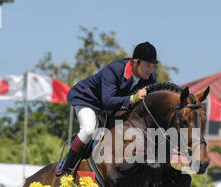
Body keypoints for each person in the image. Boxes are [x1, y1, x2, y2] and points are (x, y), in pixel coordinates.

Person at [56, 42, 158, 175]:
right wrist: (132, 99)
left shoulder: (150, 77)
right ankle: (66, 167)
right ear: (135, 62)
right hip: (87, 99)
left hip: (113, 106)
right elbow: (108, 101)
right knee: (88, 129)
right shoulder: (115, 69)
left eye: (152, 66)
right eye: (147, 65)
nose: (150, 70)